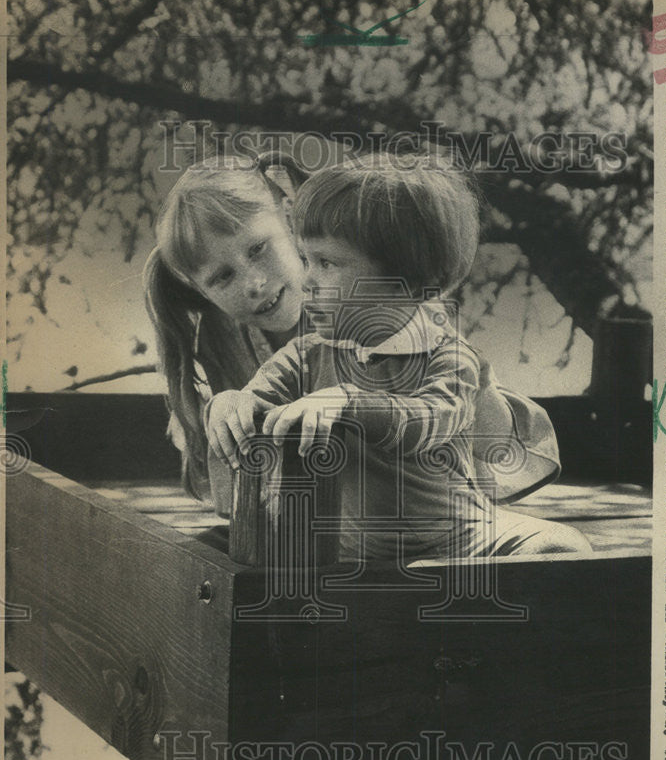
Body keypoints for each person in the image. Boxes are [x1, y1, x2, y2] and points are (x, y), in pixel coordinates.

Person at [205, 154, 591, 561]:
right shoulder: (306, 355)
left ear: (407, 281)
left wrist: (350, 402)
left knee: (566, 548)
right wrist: (231, 404)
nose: (306, 280)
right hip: (347, 551)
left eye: (326, 263)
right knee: (218, 554)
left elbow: (434, 418)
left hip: (460, 543)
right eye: (305, 260)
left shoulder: (449, 357)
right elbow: (257, 396)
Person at [143, 153, 309, 503]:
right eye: (222, 277)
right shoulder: (222, 339)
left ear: (289, 216)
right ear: (201, 292)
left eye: (258, 248)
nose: (253, 283)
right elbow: (234, 490)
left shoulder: (357, 298)